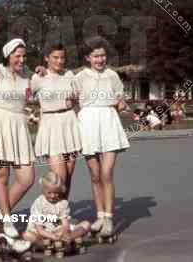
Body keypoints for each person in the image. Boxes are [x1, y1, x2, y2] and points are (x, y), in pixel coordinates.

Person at [71, 36, 129, 239]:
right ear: (88, 57)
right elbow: (71, 99)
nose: (100, 59)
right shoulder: (78, 78)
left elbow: (120, 97)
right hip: (87, 123)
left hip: (109, 121)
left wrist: (120, 102)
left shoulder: (112, 75)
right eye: (96, 56)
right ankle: (100, 216)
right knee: (95, 175)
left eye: (103, 55)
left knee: (107, 173)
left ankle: (109, 218)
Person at [0, 38, 36, 238]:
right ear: (8, 56)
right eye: (17, 56)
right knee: (2, 177)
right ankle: (7, 221)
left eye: (24, 56)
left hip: (20, 125)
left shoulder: (28, 74)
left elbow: (36, 91)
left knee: (27, 178)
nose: (22, 60)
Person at [30, 42, 82, 198]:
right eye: (55, 58)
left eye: (62, 58)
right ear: (46, 58)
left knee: (68, 178)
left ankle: (62, 214)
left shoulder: (69, 75)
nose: (60, 61)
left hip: (69, 124)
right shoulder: (38, 77)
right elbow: (25, 96)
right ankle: (48, 213)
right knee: (59, 178)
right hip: (50, 126)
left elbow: (77, 96)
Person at [22, 171, 90, 245]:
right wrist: (53, 236)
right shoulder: (39, 203)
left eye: (56, 193)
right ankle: (45, 244)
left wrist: (64, 232)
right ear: (43, 189)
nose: (53, 196)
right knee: (27, 235)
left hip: (58, 230)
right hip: (42, 233)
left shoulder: (63, 203)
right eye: (49, 193)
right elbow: (40, 229)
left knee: (86, 224)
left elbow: (65, 224)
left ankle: (67, 239)